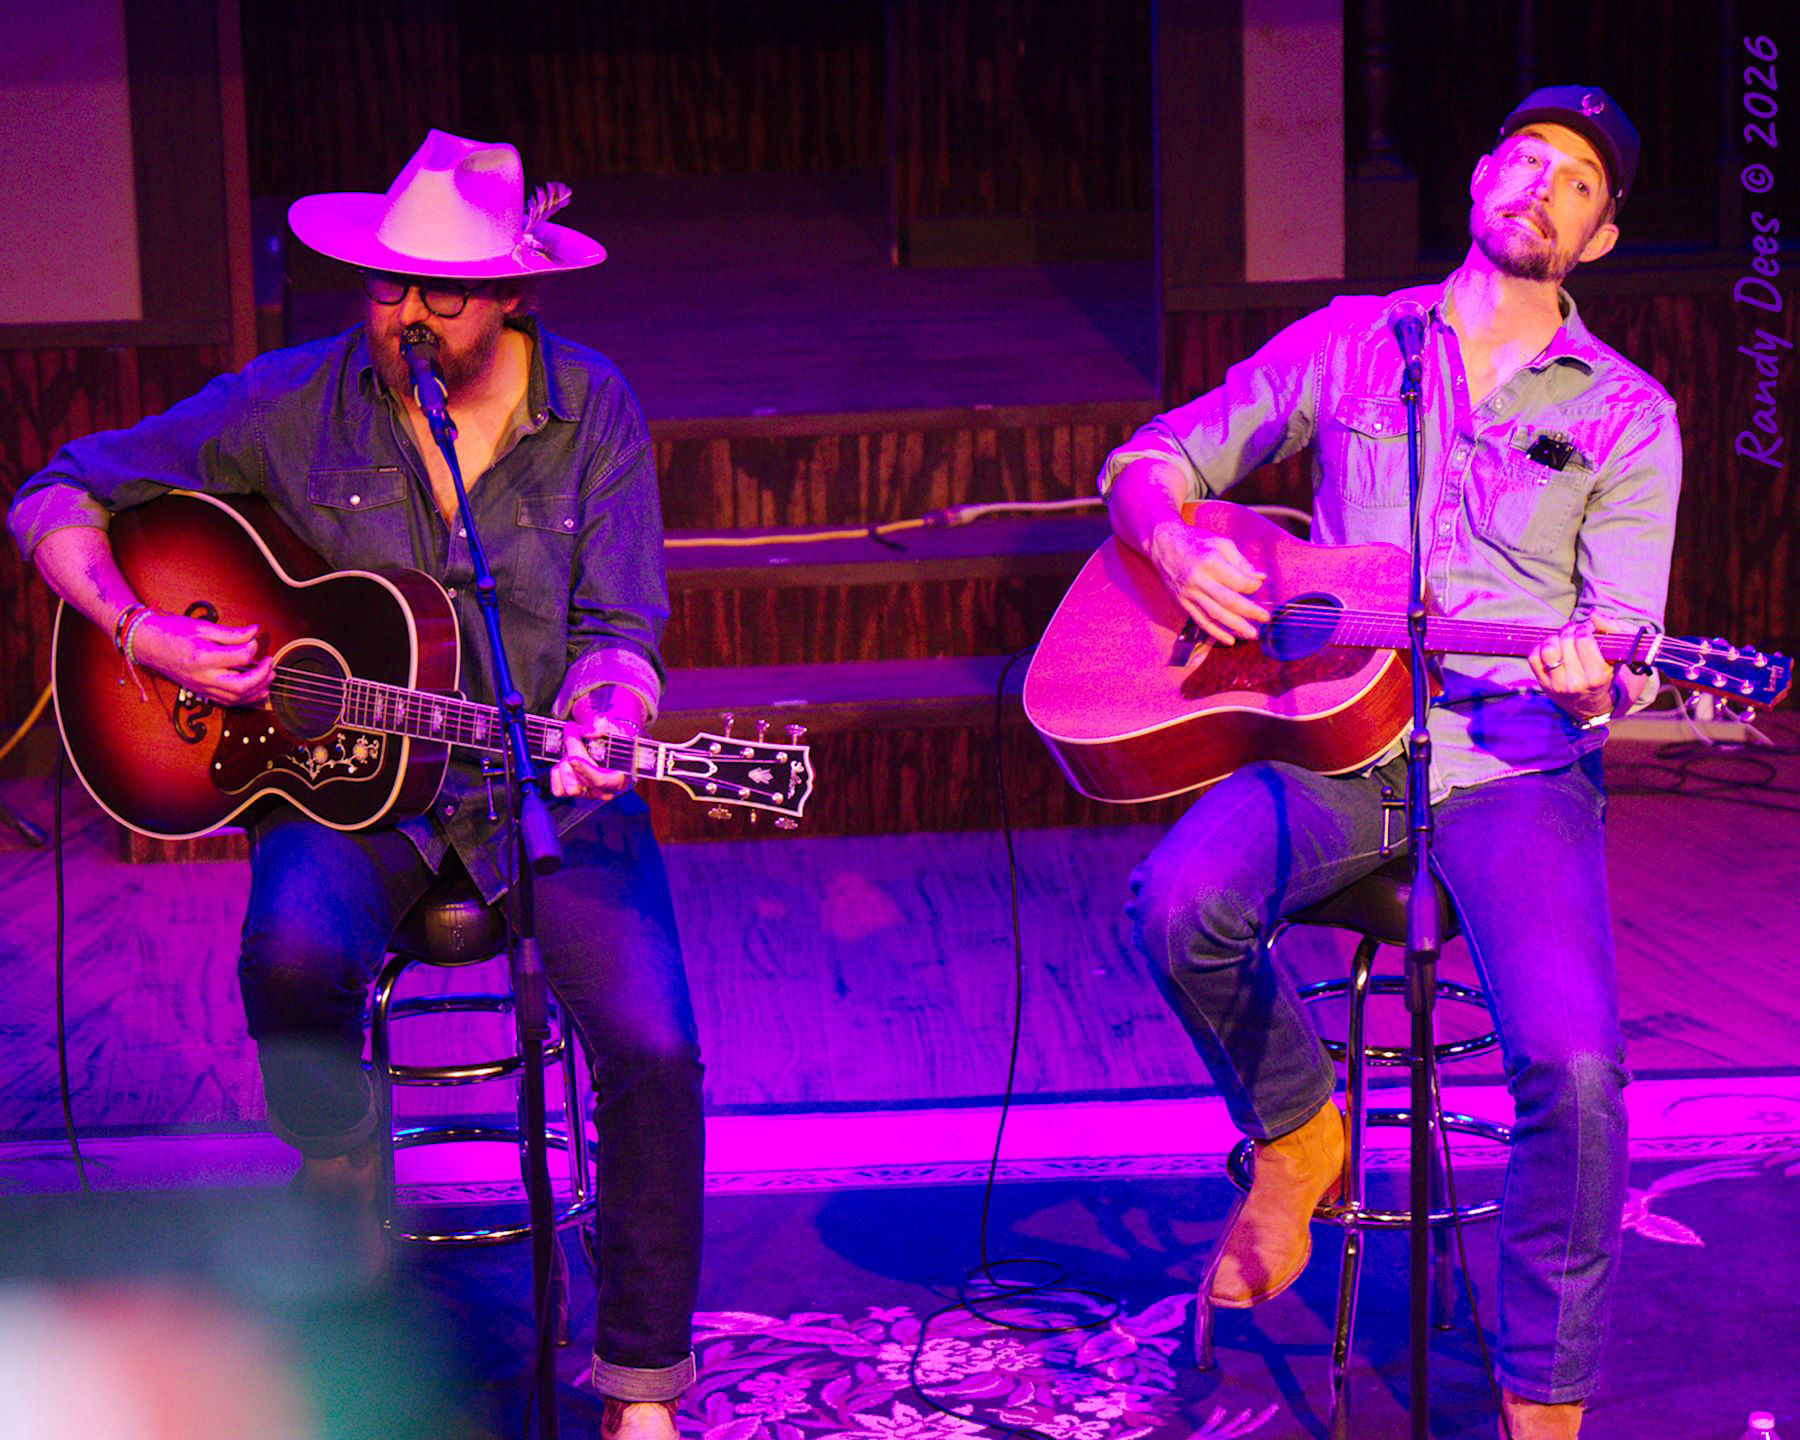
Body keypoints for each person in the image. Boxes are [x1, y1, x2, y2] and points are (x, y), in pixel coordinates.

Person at [9, 130, 701, 1440]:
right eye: (385, 286)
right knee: (288, 956)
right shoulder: (294, 398)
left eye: (441, 291)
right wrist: (136, 628)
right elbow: (58, 491)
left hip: (539, 789)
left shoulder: (595, 409)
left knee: (656, 1047)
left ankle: (640, 1391)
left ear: (514, 294)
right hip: (346, 789)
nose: (406, 316)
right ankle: (332, 1147)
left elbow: (622, 637)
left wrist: (611, 715)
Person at [1101, 88, 1675, 1439]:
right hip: (1333, 746)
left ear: (1596, 239)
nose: (1542, 184)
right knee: (1177, 906)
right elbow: (1156, 458)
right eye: (1525, 157)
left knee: (1580, 1076)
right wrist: (1180, 546)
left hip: (1515, 766)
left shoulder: (1629, 415)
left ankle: (1545, 1399)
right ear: (1480, 178)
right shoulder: (1358, 345)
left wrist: (1608, 674)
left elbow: (1628, 635)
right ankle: (1300, 1126)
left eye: (1577, 181)